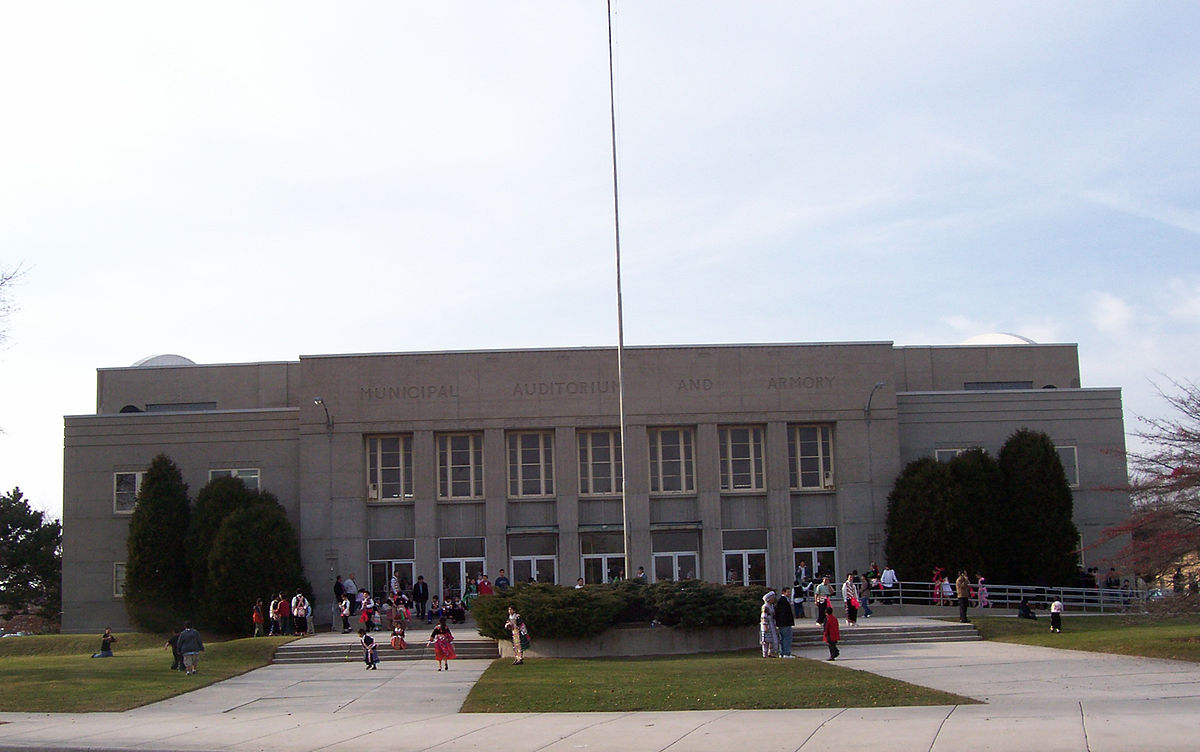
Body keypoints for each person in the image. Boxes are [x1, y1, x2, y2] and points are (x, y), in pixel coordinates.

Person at [776, 587, 796, 658]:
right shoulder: (782, 601)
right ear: (783, 592)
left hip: (784, 623)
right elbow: (783, 613)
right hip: (785, 623)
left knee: (783, 638)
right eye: (787, 592)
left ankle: (782, 652)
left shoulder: (784, 600)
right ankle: (786, 653)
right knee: (786, 638)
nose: (789, 593)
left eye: (789, 592)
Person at [759, 591, 779, 658]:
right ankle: (765, 653)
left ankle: (771, 652)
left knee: (772, 639)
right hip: (767, 624)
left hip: (771, 623)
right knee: (765, 639)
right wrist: (765, 625)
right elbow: (763, 616)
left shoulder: (771, 606)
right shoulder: (765, 606)